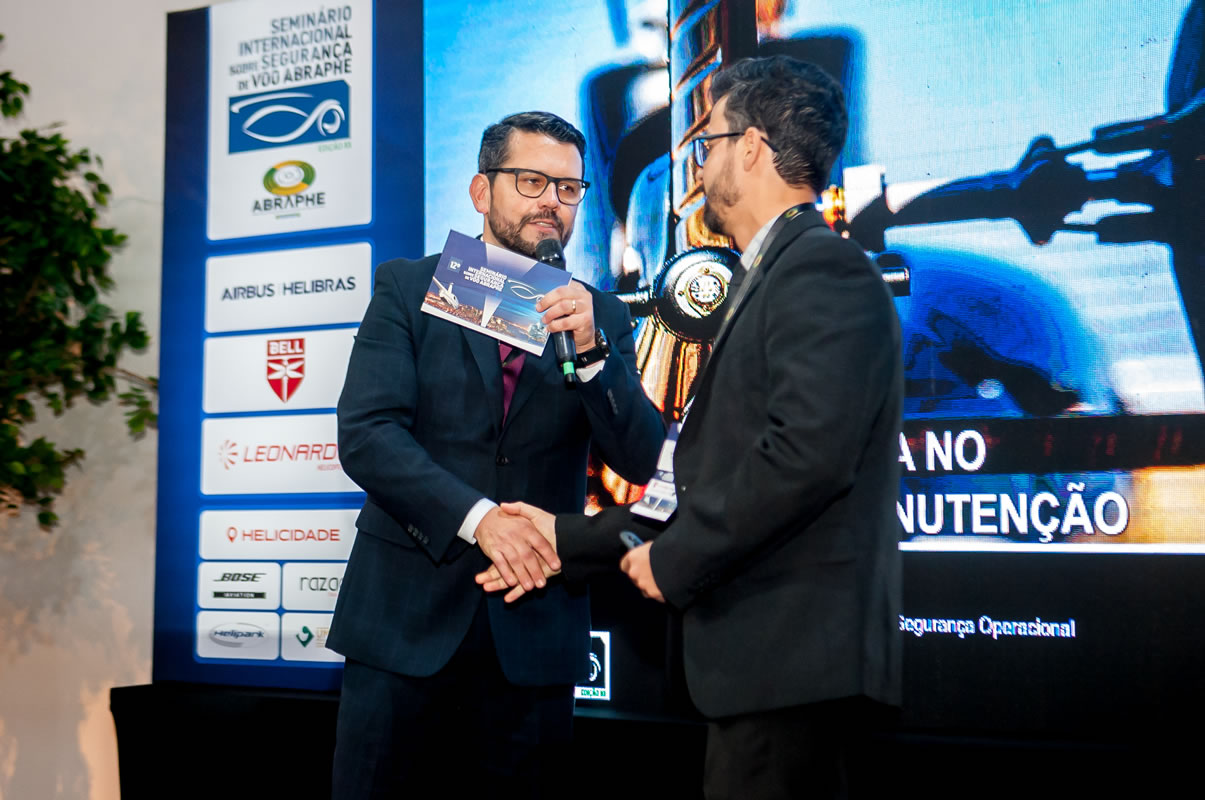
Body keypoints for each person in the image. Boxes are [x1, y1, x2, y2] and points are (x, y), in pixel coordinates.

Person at [485, 57, 904, 798]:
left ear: (752, 149)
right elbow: (718, 472)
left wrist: (676, 559)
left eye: (708, 144)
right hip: (770, 665)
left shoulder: (819, 270)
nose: (697, 166)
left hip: (793, 663)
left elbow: (802, 460)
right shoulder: (775, 274)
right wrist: (563, 536)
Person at [328, 111, 664, 798]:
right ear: (481, 191)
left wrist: (593, 357)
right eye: (531, 181)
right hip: (403, 624)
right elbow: (368, 433)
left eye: (568, 188)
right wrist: (481, 519)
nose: (551, 202)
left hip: (533, 631)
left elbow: (641, 461)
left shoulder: (602, 315)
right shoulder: (408, 288)